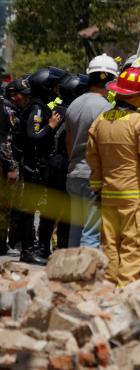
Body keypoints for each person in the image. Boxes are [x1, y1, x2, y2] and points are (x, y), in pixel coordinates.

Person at [86, 66, 140, 287]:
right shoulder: (138, 122)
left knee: (109, 244)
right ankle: (124, 289)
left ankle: (109, 286)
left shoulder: (100, 120)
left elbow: (92, 158)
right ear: (136, 96)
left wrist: (97, 187)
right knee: (132, 245)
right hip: (135, 198)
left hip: (108, 195)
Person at [65, 55, 117, 249]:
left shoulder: (74, 104)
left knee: (76, 228)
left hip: (74, 174)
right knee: (91, 232)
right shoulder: (107, 109)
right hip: (93, 177)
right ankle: (85, 277)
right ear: (111, 80)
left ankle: (69, 273)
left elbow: (68, 143)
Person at [18, 67, 66, 263]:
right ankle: (28, 251)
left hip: (35, 165)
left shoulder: (38, 105)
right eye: (53, 88)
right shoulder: (37, 108)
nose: (55, 92)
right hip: (33, 166)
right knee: (28, 210)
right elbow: (33, 135)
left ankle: (29, 249)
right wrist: (51, 126)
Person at [50, 74, 89, 248]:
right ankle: (62, 246)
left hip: (57, 163)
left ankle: (57, 244)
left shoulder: (59, 109)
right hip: (66, 164)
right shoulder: (72, 112)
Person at [0, 80, 28, 256]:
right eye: (22, 94)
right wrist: (10, 166)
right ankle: (1, 244)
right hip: (6, 163)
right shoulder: (7, 110)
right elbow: (6, 141)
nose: (25, 98)